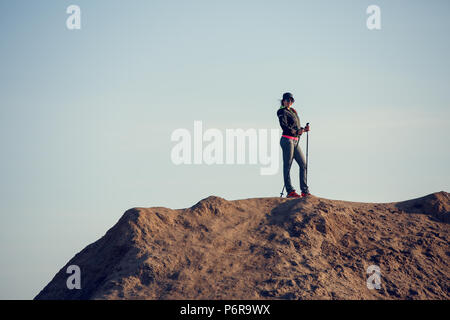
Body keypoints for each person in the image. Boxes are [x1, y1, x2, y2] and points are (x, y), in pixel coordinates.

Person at [277, 92, 311, 198]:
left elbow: (296, 127)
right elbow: (284, 126)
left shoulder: (293, 111)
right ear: (283, 101)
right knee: (288, 165)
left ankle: (304, 191)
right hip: (287, 140)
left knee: (303, 164)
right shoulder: (281, 111)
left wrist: (303, 130)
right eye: (287, 100)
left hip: (295, 140)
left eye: (291, 100)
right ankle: (290, 191)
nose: (289, 102)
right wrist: (297, 131)